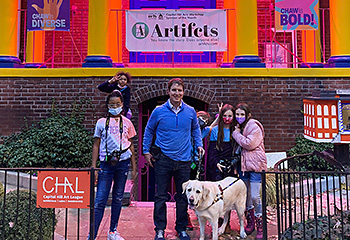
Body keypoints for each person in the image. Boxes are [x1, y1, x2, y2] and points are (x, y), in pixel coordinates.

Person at [142, 78, 204, 240]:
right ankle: (160, 230)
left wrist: (199, 145)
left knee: (183, 196)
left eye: (180, 90)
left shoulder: (190, 111)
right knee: (161, 196)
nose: (177, 93)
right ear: (168, 91)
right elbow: (148, 130)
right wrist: (145, 151)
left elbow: (196, 129)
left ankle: (181, 228)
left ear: (184, 92)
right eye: (174, 90)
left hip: (184, 160)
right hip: (163, 159)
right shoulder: (158, 111)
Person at [89, 90, 137, 240]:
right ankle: (92, 234)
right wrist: (94, 166)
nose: (114, 107)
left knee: (118, 197)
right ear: (107, 106)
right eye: (111, 104)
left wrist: (134, 167)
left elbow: (131, 145)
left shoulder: (127, 122)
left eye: (117, 104)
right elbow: (96, 144)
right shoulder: (101, 122)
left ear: (122, 105)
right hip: (106, 164)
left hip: (123, 163)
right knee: (100, 200)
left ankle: (112, 231)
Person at [232, 103, 267, 240]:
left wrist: (236, 134)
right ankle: (250, 222)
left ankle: (260, 225)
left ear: (248, 115)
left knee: (254, 196)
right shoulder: (240, 127)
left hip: (255, 166)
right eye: (238, 114)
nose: (239, 117)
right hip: (244, 166)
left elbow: (249, 143)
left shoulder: (253, 126)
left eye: (242, 114)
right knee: (246, 197)